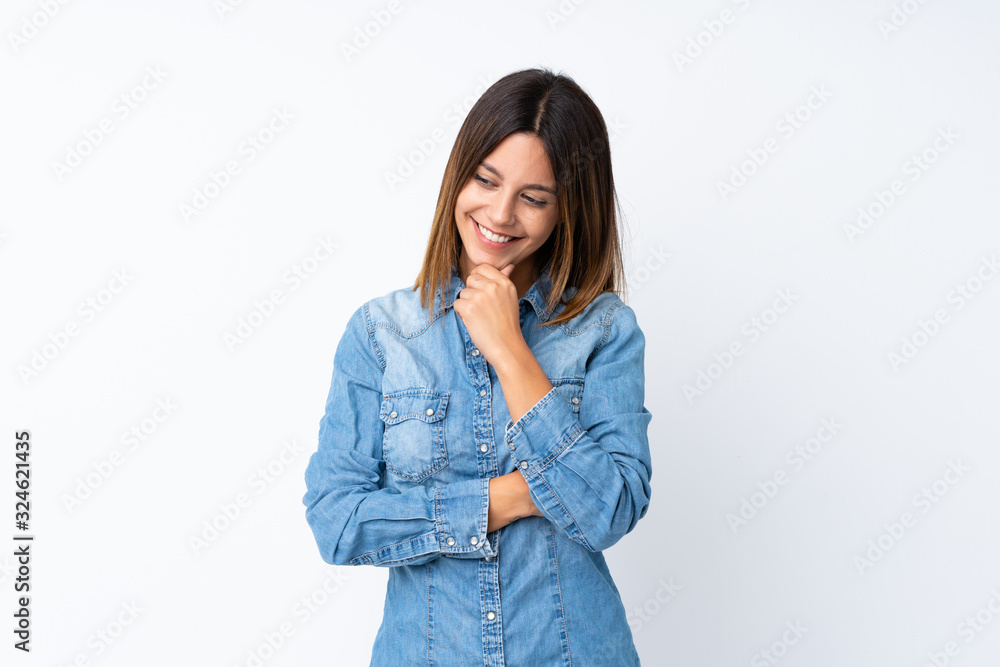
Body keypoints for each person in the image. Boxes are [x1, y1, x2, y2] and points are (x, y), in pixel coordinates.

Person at [302, 67, 653, 666]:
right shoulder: (382, 334)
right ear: (458, 175)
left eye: (534, 198)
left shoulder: (603, 330)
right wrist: (507, 497)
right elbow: (337, 523)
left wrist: (510, 350)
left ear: (567, 210)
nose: (500, 213)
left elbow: (609, 512)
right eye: (486, 180)